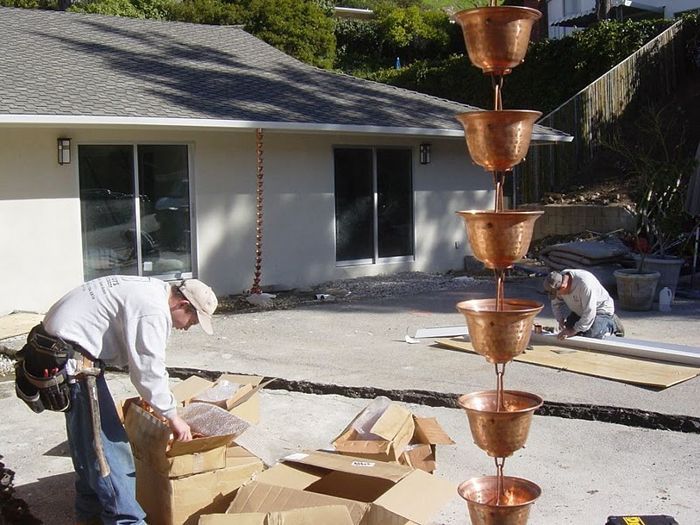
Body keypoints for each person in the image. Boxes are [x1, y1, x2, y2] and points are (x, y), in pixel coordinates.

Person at [19, 275, 217, 525]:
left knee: (86, 444)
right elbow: (148, 370)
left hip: (63, 347)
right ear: (182, 305)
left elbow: (135, 357)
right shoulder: (152, 310)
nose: (188, 327)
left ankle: (89, 514)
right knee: (110, 450)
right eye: (193, 320)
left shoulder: (152, 289)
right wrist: (172, 416)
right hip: (74, 360)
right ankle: (127, 520)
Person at [543, 269, 624, 340]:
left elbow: (590, 311)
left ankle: (612, 323)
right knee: (568, 331)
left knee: (590, 335)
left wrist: (573, 331)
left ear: (563, 287)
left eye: (557, 294)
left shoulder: (584, 284)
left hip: (600, 311)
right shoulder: (558, 280)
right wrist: (560, 320)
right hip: (581, 311)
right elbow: (555, 304)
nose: (558, 297)